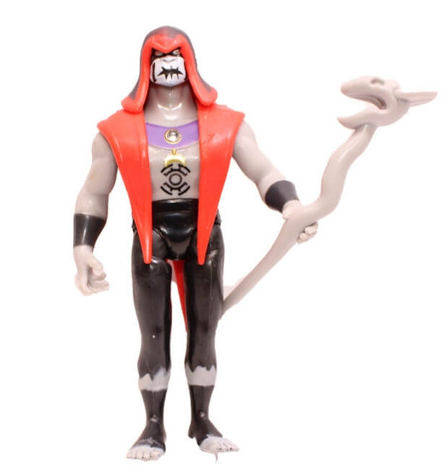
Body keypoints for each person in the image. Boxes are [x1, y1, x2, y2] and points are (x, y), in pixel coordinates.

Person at [73, 26, 317, 461]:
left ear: (191, 61)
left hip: (204, 233)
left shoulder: (227, 124)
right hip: (150, 235)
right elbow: (94, 192)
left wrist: (292, 205)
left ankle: (202, 420)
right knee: (153, 334)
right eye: (159, 55)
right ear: (146, 65)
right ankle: (152, 425)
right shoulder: (115, 130)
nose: (168, 62)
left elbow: (263, 172)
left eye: (176, 53)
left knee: (205, 330)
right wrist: (83, 248)